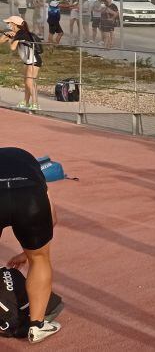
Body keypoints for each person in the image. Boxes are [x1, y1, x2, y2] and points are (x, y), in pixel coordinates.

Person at [0, 147, 61, 343]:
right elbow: (52, 218)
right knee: (40, 258)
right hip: (29, 196)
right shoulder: (31, 165)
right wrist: (29, 253)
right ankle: (37, 326)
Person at [2, 16, 42, 110]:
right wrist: (7, 35)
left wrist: (10, 40)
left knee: (29, 82)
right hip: (28, 61)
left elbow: (12, 48)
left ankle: (35, 103)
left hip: (33, 60)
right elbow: (1, 41)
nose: (8, 25)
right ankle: (26, 102)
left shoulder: (21, 33)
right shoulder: (19, 33)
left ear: (14, 24)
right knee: (27, 82)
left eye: (9, 23)